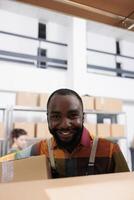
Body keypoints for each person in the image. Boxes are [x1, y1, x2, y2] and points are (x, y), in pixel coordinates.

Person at [0, 88, 129, 177]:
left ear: (83, 117)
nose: (64, 125)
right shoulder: (40, 150)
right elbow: (6, 163)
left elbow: (126, 191)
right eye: (56, 117)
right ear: (48, 118)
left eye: (72, 115)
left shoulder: (109, 151)